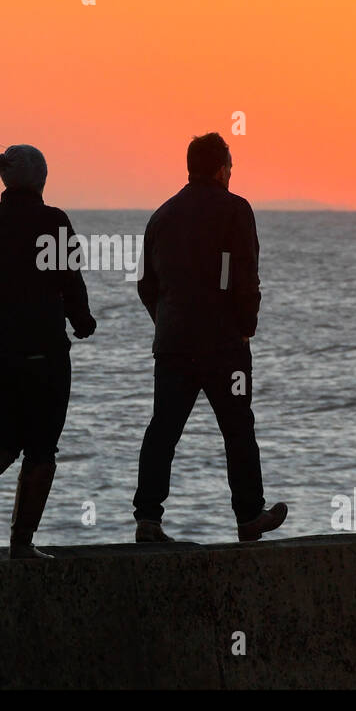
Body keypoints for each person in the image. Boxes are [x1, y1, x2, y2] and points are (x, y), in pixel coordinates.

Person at [0, 144, 96, 559]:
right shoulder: (54, 220)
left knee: (3, 438)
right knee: (41, 447)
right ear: (40, 179)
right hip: (42, 350)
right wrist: (83, 322)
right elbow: (71, 281)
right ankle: (22, 543)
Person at [134, 132, 287, 542]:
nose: (232, 173)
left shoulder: (161, 216)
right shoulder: (235, 210)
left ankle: (148, 519)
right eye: (231, 166)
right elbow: (245, 276)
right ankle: (249, 515)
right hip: (224, 345)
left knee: (163, 429)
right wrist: (245, 326)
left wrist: (166, 323)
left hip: (173, 345)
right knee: (238, 428)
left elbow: (147, 285)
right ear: (222, 168)